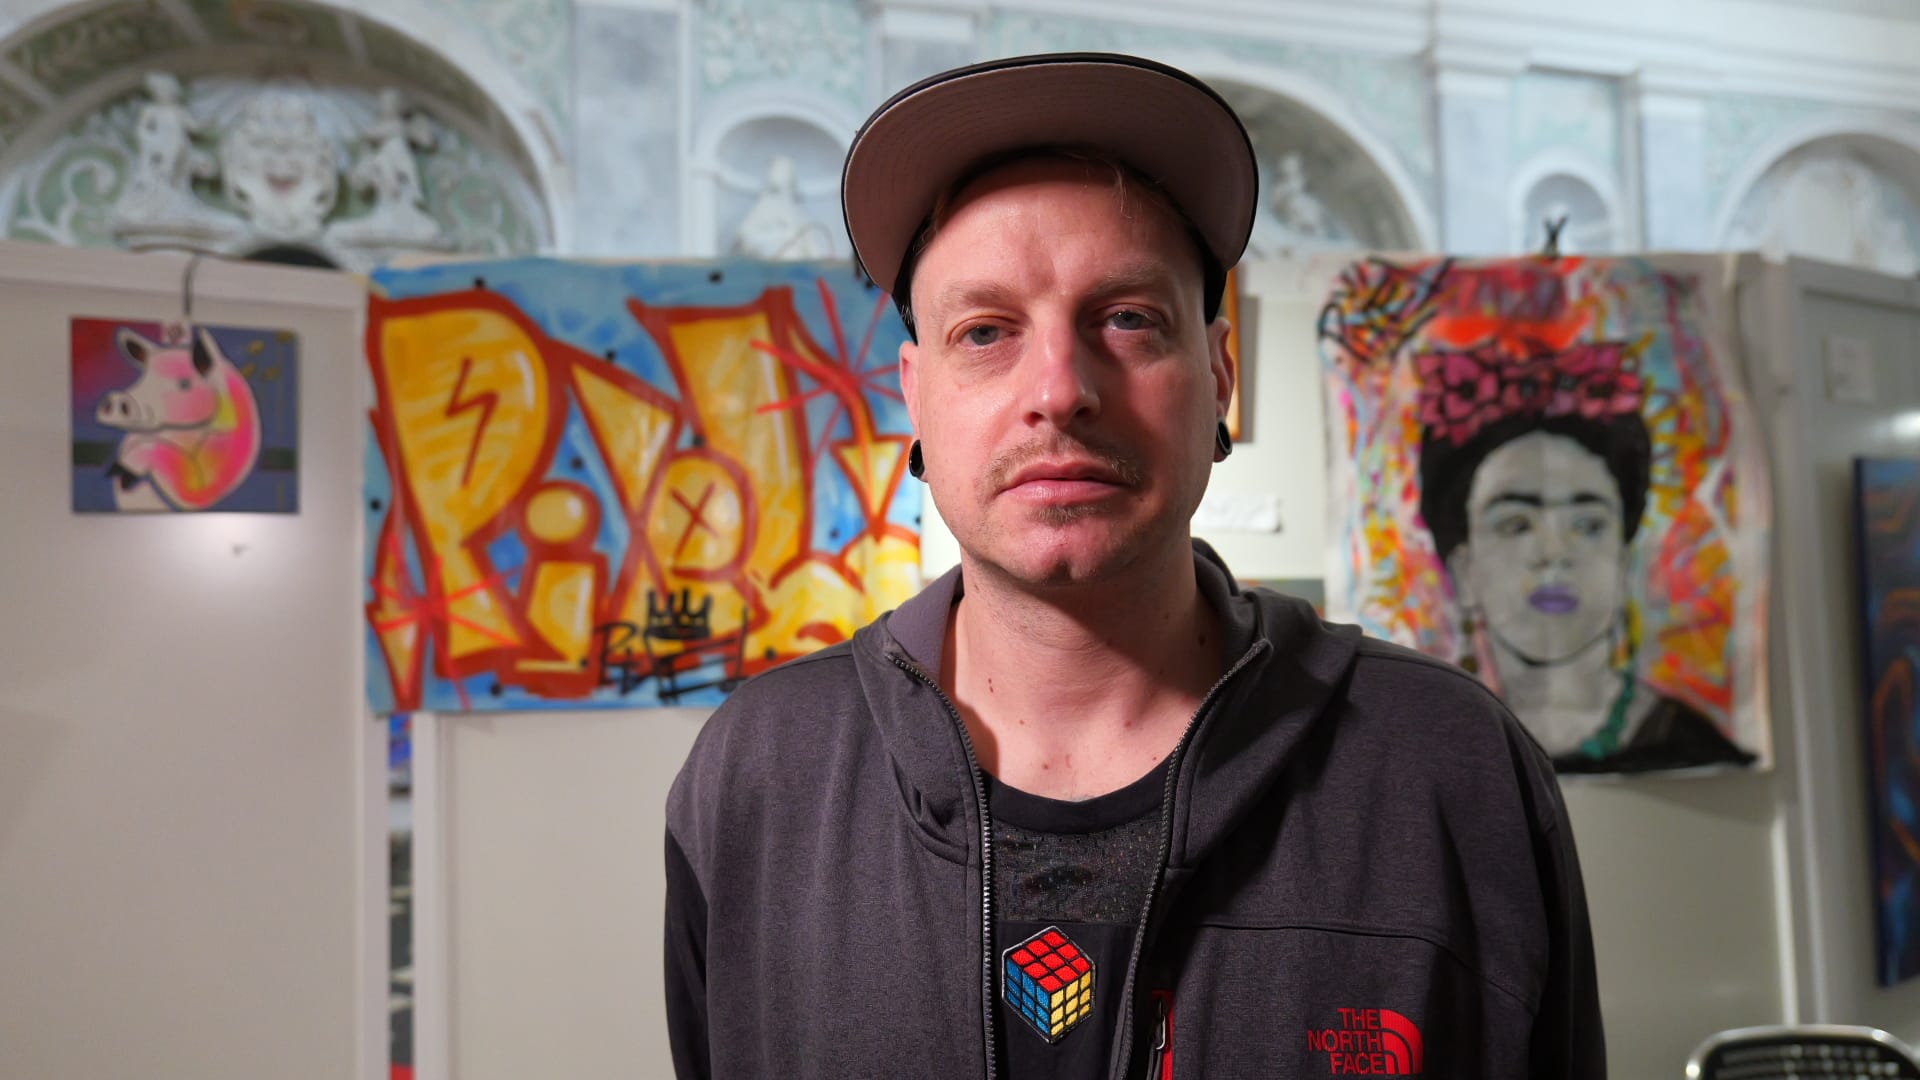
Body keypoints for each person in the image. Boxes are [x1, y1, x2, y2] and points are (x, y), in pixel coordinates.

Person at [666, 53, 1604, 1079]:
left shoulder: (1446, 769)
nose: (1059, 389)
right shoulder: (764, 775)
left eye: (1127, 318)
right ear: (916, 396)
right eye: (985, 332)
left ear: (1220, 377)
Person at [1413, 317, 1757, 775]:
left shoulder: (1694, 747)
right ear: (1463, 569)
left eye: (1588, 525)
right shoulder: (1423, 753)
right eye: (1516, 524)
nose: (1554, 553)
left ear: (1623, 559)